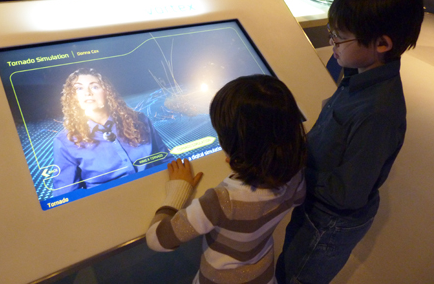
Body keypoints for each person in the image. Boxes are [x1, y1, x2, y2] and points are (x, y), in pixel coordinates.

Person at [275, 0, 424, 284]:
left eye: (339, 36)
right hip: (316, 209)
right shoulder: (360, 74)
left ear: (382, 43)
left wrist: (296, 171)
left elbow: (348, 194)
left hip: (328, 223)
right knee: (288, 263)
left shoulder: (378, 113)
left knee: (297, 275)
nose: (332, 42)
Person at [146, 74, 307, 284]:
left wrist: (178, 191)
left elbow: (158, 240)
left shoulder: (221, 201)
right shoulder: (295, 175)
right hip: (264, 275)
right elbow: (297, 199)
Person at [52, 68, 172, 197]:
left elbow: (167, 161)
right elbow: (65, 197)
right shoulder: (65, 141)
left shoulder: (139, 120)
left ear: (107, 92)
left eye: (95, 87)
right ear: (73, 97)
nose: (87, 93)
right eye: (79, 88)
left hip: (158, 194)